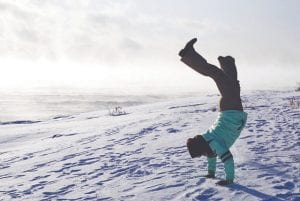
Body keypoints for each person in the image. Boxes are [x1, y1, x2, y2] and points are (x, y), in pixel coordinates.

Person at [179, 38, 248, 186]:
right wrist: (213, 174)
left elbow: (222, 159)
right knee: (231, 84)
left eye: (201, 154)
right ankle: (227, 62)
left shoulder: (211, 144)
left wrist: (225, 178)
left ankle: (189, 55)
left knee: (218, 75)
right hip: (229, 110)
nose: (204, 155)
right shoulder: (210, 144)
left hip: (232, 109)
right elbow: (219, 158)